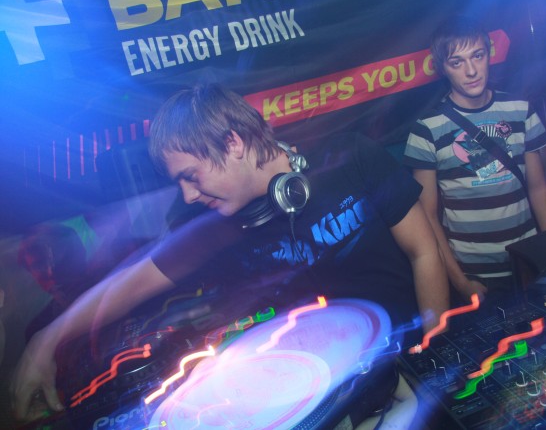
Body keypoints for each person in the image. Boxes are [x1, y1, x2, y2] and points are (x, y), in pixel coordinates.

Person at [11, 84, 449, 427]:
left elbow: (423, 251)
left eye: (191, 175)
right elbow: (128, 283)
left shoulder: (350, 157)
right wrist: (44, 341)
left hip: (410, 361)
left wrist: (433, 357)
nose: (187, 194)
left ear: (233, 142)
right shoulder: (216, 229)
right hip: (330, 398)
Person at [403, 16, 546, 306]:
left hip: (529, 263)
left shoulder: (520, 110)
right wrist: (460, 282)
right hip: (475, 276)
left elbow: (538, 188)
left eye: (477, 56)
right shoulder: (427, 130)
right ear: (442, 68)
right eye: (456, 62)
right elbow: (428, 218)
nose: (471, 71)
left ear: (489, 54)